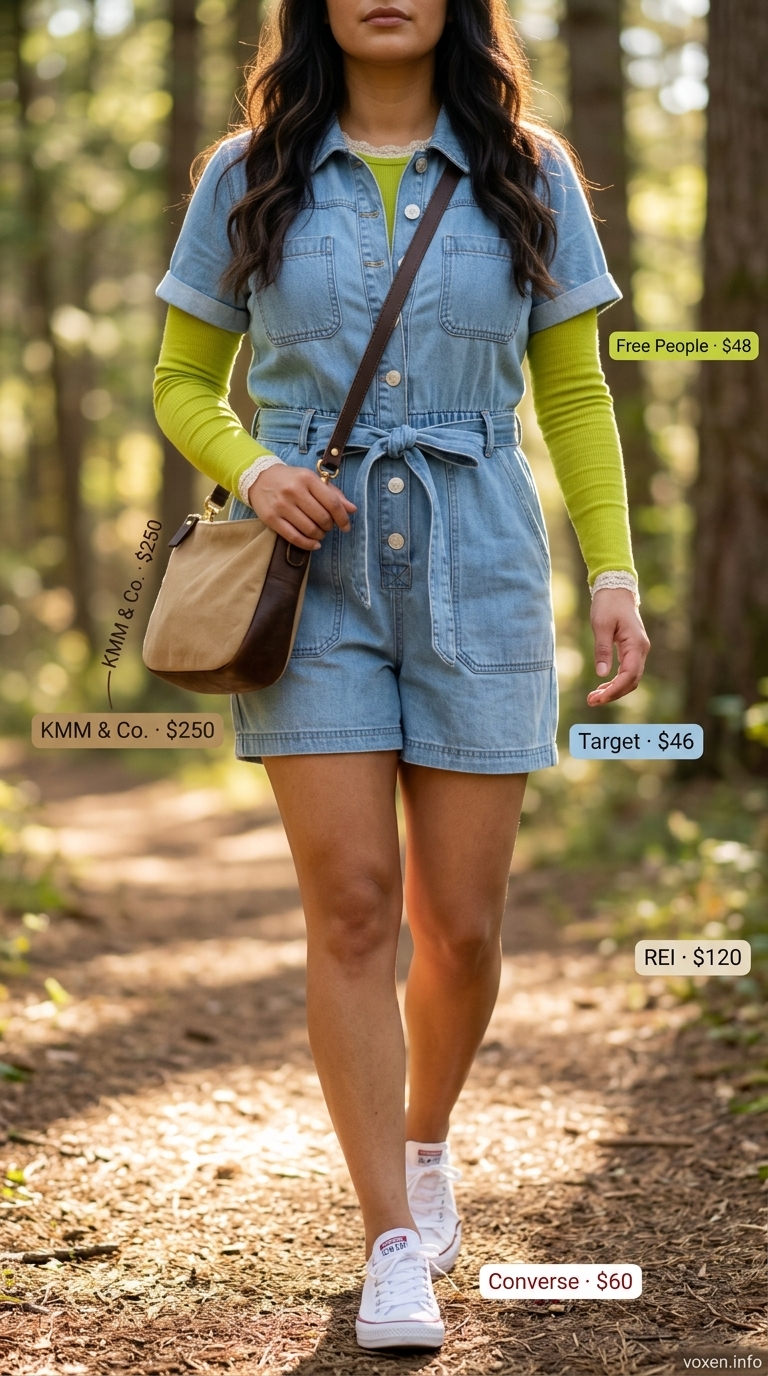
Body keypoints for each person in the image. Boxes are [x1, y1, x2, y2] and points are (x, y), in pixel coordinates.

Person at [153, 0, 649, 1351]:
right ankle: (388, 1242)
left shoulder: (529, 170)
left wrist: (613, 573)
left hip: (482, 554)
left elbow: (578, 394)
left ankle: (426, 1139)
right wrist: (255, 467)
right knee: (356, 907)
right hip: (309, 573)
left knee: (466, 928)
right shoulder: (244, 169)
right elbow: (183, 376)